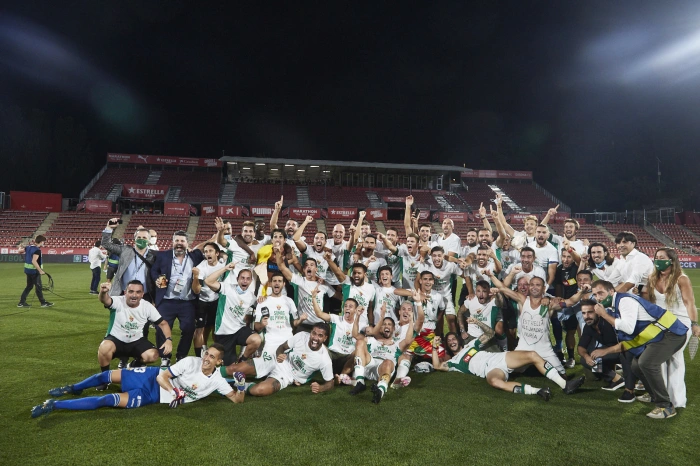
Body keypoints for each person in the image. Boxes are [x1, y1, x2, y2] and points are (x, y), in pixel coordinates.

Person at [31, 344, 243, 417]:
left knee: (106, 400)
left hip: (150, 396)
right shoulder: (191, 361)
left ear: (219, 362)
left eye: (212, 357)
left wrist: (241, 387)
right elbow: (162, 376)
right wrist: (176, 392)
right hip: (152, 377)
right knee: (105, 376)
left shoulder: (217, 381)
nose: (206, 359)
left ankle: (53, 405)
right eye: (207, 354)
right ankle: (73, 388)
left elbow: (236, 399)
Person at [590, 280, 688, 419]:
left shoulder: (624, 301)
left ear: (611, 291)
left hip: (672, 334)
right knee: (636, 366)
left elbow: (628, 328)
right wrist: (606, 351)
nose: (598, 298)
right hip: (657, 336)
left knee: (646, 363)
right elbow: (631, 338)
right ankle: (654, 395)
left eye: (601, 293)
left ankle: (666, 406)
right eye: (595, 295)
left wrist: (604, 315)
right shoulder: (616, 305)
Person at [431, 327, 585, 399]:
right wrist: (434, 347)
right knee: (495, 382)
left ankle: (565, 385)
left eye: (453, 338)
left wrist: (477, 321)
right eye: (448, 340)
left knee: (532, 354)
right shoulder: (453, 362)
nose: (452, 341)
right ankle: (538, 391)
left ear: (458, 340)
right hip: (491, 370)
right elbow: (437, 365)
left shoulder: (470, 346)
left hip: (499, 358)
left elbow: (490, 333)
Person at [218, 272, 304, 380]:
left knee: (294, 371)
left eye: (280, 281)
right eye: (274, 281)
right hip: (271, 340)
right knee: (264, 371)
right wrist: (262, 324)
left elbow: (294, 323)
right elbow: (256, 327)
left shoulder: (289, 301)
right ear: (270, 284)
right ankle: (223, 371)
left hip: (288, 340)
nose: (277, 283)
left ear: (284, 284)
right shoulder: (263, 302)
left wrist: (300, 320)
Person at [642, 248, 700, 409]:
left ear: (671, 260)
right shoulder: (652, 277)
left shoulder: (681, 279)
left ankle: (676, 400)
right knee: (659, 361)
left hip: (680, 323)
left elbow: (689, 303)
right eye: (656, 257)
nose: (658, 260)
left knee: (674, 358)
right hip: (660, 323)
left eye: (662, 257)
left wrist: (694, 324)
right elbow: (649, 301)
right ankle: (662, 395)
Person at [95, 281, 173, 389]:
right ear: (125, 292)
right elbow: (105, 300)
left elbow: (163, 324)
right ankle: (104, 378)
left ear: (142, 294)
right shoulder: (118, 301)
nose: (134, 295)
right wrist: (103, 292)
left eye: (138, 292)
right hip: (116, 339)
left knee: (153, 355)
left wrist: (168, 339)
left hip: (136, 340)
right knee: (104, 347)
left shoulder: (147, 306)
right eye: (131, 291)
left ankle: (134, 364)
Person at [230, 323, 335, 401]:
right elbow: (282, 347)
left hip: (287, 375)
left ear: (325, 338)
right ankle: (216, 374)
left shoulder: (324, 359)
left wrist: (320, 388)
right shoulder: (302, 336)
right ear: (311, 332)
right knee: (234, 368)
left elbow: (330, 383)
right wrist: (279, 355)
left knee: (258, 390)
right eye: (314, 333)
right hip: (278, 361)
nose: (315, 338)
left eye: (320, 336)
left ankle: (241, 384)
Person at [150, 230, 205, 366]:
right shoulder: (163, 256)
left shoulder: (195, 256)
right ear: (172, 242)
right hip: (166, 300)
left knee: (188, 329)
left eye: (182, 241)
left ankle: (181, 356)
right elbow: (154, 270)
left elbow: (209, 246)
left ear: (187, 243)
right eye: (177, 241)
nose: (179, 244)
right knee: (161, 329)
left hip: (188, 302)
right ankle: (165, 357)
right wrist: (157, 279)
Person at [348, 304, 415, 403]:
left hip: (383, 368)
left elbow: (408, 340)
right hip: (369, 364)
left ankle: (380, 391)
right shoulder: (372, 340)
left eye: (389, 325)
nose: (386, 326)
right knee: (360, 342)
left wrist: (410, 321)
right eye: (384, 324)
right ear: (380, 328)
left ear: (393, 329)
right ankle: (360, 382)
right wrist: (357, 316)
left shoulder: (397, 345)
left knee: (388, 362)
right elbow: (355, 335)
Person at [204, 265, 261, 365]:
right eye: (242, 278)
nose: (245, 281)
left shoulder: (252, 298)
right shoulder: (227, 288)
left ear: (251, 281)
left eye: (248, 279)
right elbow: (208, 281)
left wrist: (262, 301)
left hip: (239, 330)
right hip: (224, 333)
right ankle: (231, 363)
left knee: (256, 340)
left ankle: (242, 360)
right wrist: (225, 269)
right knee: (227, 367)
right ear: (237, 279)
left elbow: (250, 318)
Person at [577, 299, 633, 401]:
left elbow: (627, 344)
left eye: (590, 312)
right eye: (584, 313)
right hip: (611, 352)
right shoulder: (588, 326)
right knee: (585, 360)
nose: (586, 316)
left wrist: (604, 351)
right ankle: (616, 378)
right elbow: (581, 347)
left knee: (625, 355)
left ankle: (629, 390)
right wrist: (586, 356)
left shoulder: (609, 322)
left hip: (627, 350)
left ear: (597, 312)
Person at [102, 219, 158, 300]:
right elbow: (106, 244)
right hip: (123, 295)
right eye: (139, 237)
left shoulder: (154, 256)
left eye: (144, 237)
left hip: (145, 296)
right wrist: (109, 228)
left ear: (149, 240)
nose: (141, 239)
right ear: (134, 239)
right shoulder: (125, 250)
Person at [191, 242, 225, 357]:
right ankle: (199, 356)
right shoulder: (201, 267)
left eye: (210, 251)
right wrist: (195, 277)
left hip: (216, 301)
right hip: (202, 302)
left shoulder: (222, 265)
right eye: (205, 252)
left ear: (217, 253)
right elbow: (196, 290)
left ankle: (216, 355)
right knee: (200, 330)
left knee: (215, 329)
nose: (207, 254)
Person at [17, 234, 53, 308]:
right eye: (43, 242)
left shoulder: (28, 247)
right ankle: (43, 303)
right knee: (38, 287)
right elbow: (34, 261)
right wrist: (40, 270)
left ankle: (21, 302)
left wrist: (20, 247)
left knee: (29, 286)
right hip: (34, 271)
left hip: (28, 270)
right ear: (41, 241)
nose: (44, 243)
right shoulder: (37, 250)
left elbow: (19, 251)